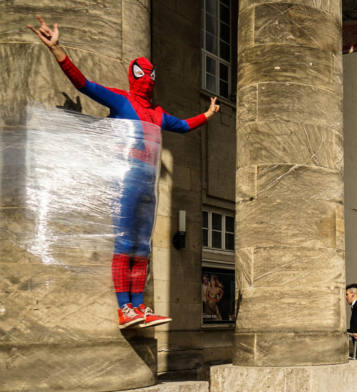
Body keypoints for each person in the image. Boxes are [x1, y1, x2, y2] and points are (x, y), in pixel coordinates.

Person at [29, 15, 219, 329]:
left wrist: (208, 113)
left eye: (150, 75)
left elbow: (184, 126)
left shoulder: (156, 113)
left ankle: (139, 306)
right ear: (136, 76)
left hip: (147, 184)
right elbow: (84, 84)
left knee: (141, 245)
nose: (147, 79)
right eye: (144, 73)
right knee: (124, 241)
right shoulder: (122, 100)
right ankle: (124, 308)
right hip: (127, 179)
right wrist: (58, 50)